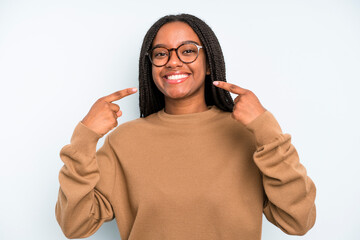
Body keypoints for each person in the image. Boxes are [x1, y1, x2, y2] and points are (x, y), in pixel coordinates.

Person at [55, 13, 316, 240]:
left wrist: (265, 128)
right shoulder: (123, 141)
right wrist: (85, 137)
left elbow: (298, 220)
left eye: (188, 50)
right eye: (160, 53)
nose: (173, 61)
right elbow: (74, 225)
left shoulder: (249, 135)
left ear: (209, 63)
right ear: (151, 67)